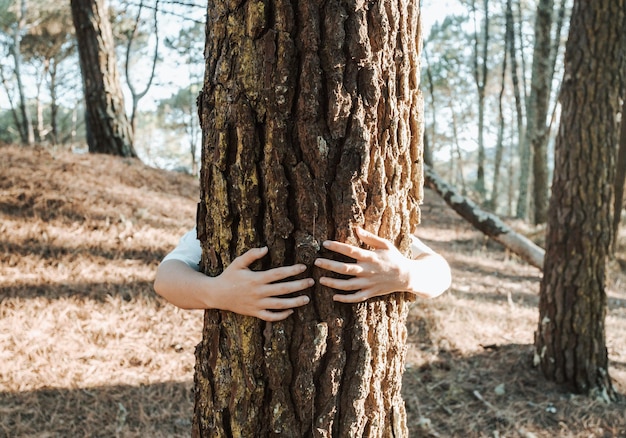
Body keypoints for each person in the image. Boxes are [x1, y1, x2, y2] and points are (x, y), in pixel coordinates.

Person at [154, 227, 451, 322]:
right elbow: (166, 277)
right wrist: (218, 292)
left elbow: (441, 273)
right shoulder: (224, 218)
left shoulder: (377, 227)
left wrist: (406, 274)